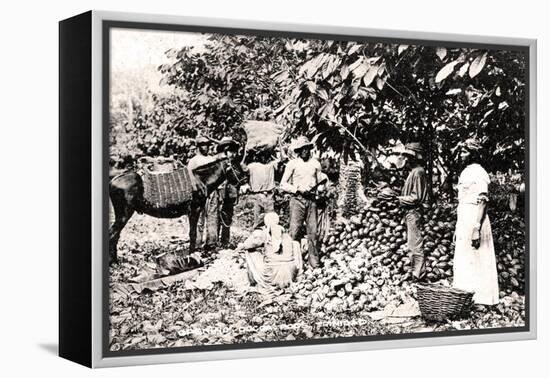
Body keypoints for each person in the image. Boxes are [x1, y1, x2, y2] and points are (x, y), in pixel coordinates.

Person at [452, 138, 499, 305]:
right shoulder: (466, 172)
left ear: (473, 154)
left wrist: (476, 228)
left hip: (474, 218)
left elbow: (483, 201)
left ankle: (482, 299)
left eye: (465, 152)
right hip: (465, 217)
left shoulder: (479, 173)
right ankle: (465, 297)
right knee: (466, 258)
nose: (462, 155)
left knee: (478, 257)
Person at [280, 136, 325, 268]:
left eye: (307, 149)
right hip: (297, 200)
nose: (305, 151)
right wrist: (297, 190)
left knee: (313, 232)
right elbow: (283, 184)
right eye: (302, 149)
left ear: (310, 149)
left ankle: (314, 263)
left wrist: (320, 191)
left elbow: (320, 181)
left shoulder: (315, 164)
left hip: (311, 201)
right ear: (298, 151)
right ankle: (293, 262)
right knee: (295, 231)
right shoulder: (292, 164)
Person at [243, 212, 303, 297]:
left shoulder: (264, 234)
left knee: (250, 252)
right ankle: (296, 278)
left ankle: (252, 281)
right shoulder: (286, 235)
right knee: (296, 244)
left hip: (273, 276)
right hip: (290, 274)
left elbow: (247, 245)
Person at [395, 142, 429, 281]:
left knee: (415, 244)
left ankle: (418, 274)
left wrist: (398, 199)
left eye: (409, 156)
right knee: (411, 243)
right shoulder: (413, 172)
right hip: (410, 212)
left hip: (414, 212)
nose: (406, 159)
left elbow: (417, 198)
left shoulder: (418, 172)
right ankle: (416, 272)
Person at [241, 138, 287, 229]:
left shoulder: (271, 165)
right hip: (258, 196)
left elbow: (284, 158)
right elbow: (242, 165)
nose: (263, 157)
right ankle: (258, 240)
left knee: (271, 222)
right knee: (258, 222)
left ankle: (269, 241)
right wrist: (245, 153)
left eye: (265, 154)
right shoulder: (253, 166)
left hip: (269, 196)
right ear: (258, 156)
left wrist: (280, 143)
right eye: (261, 155)